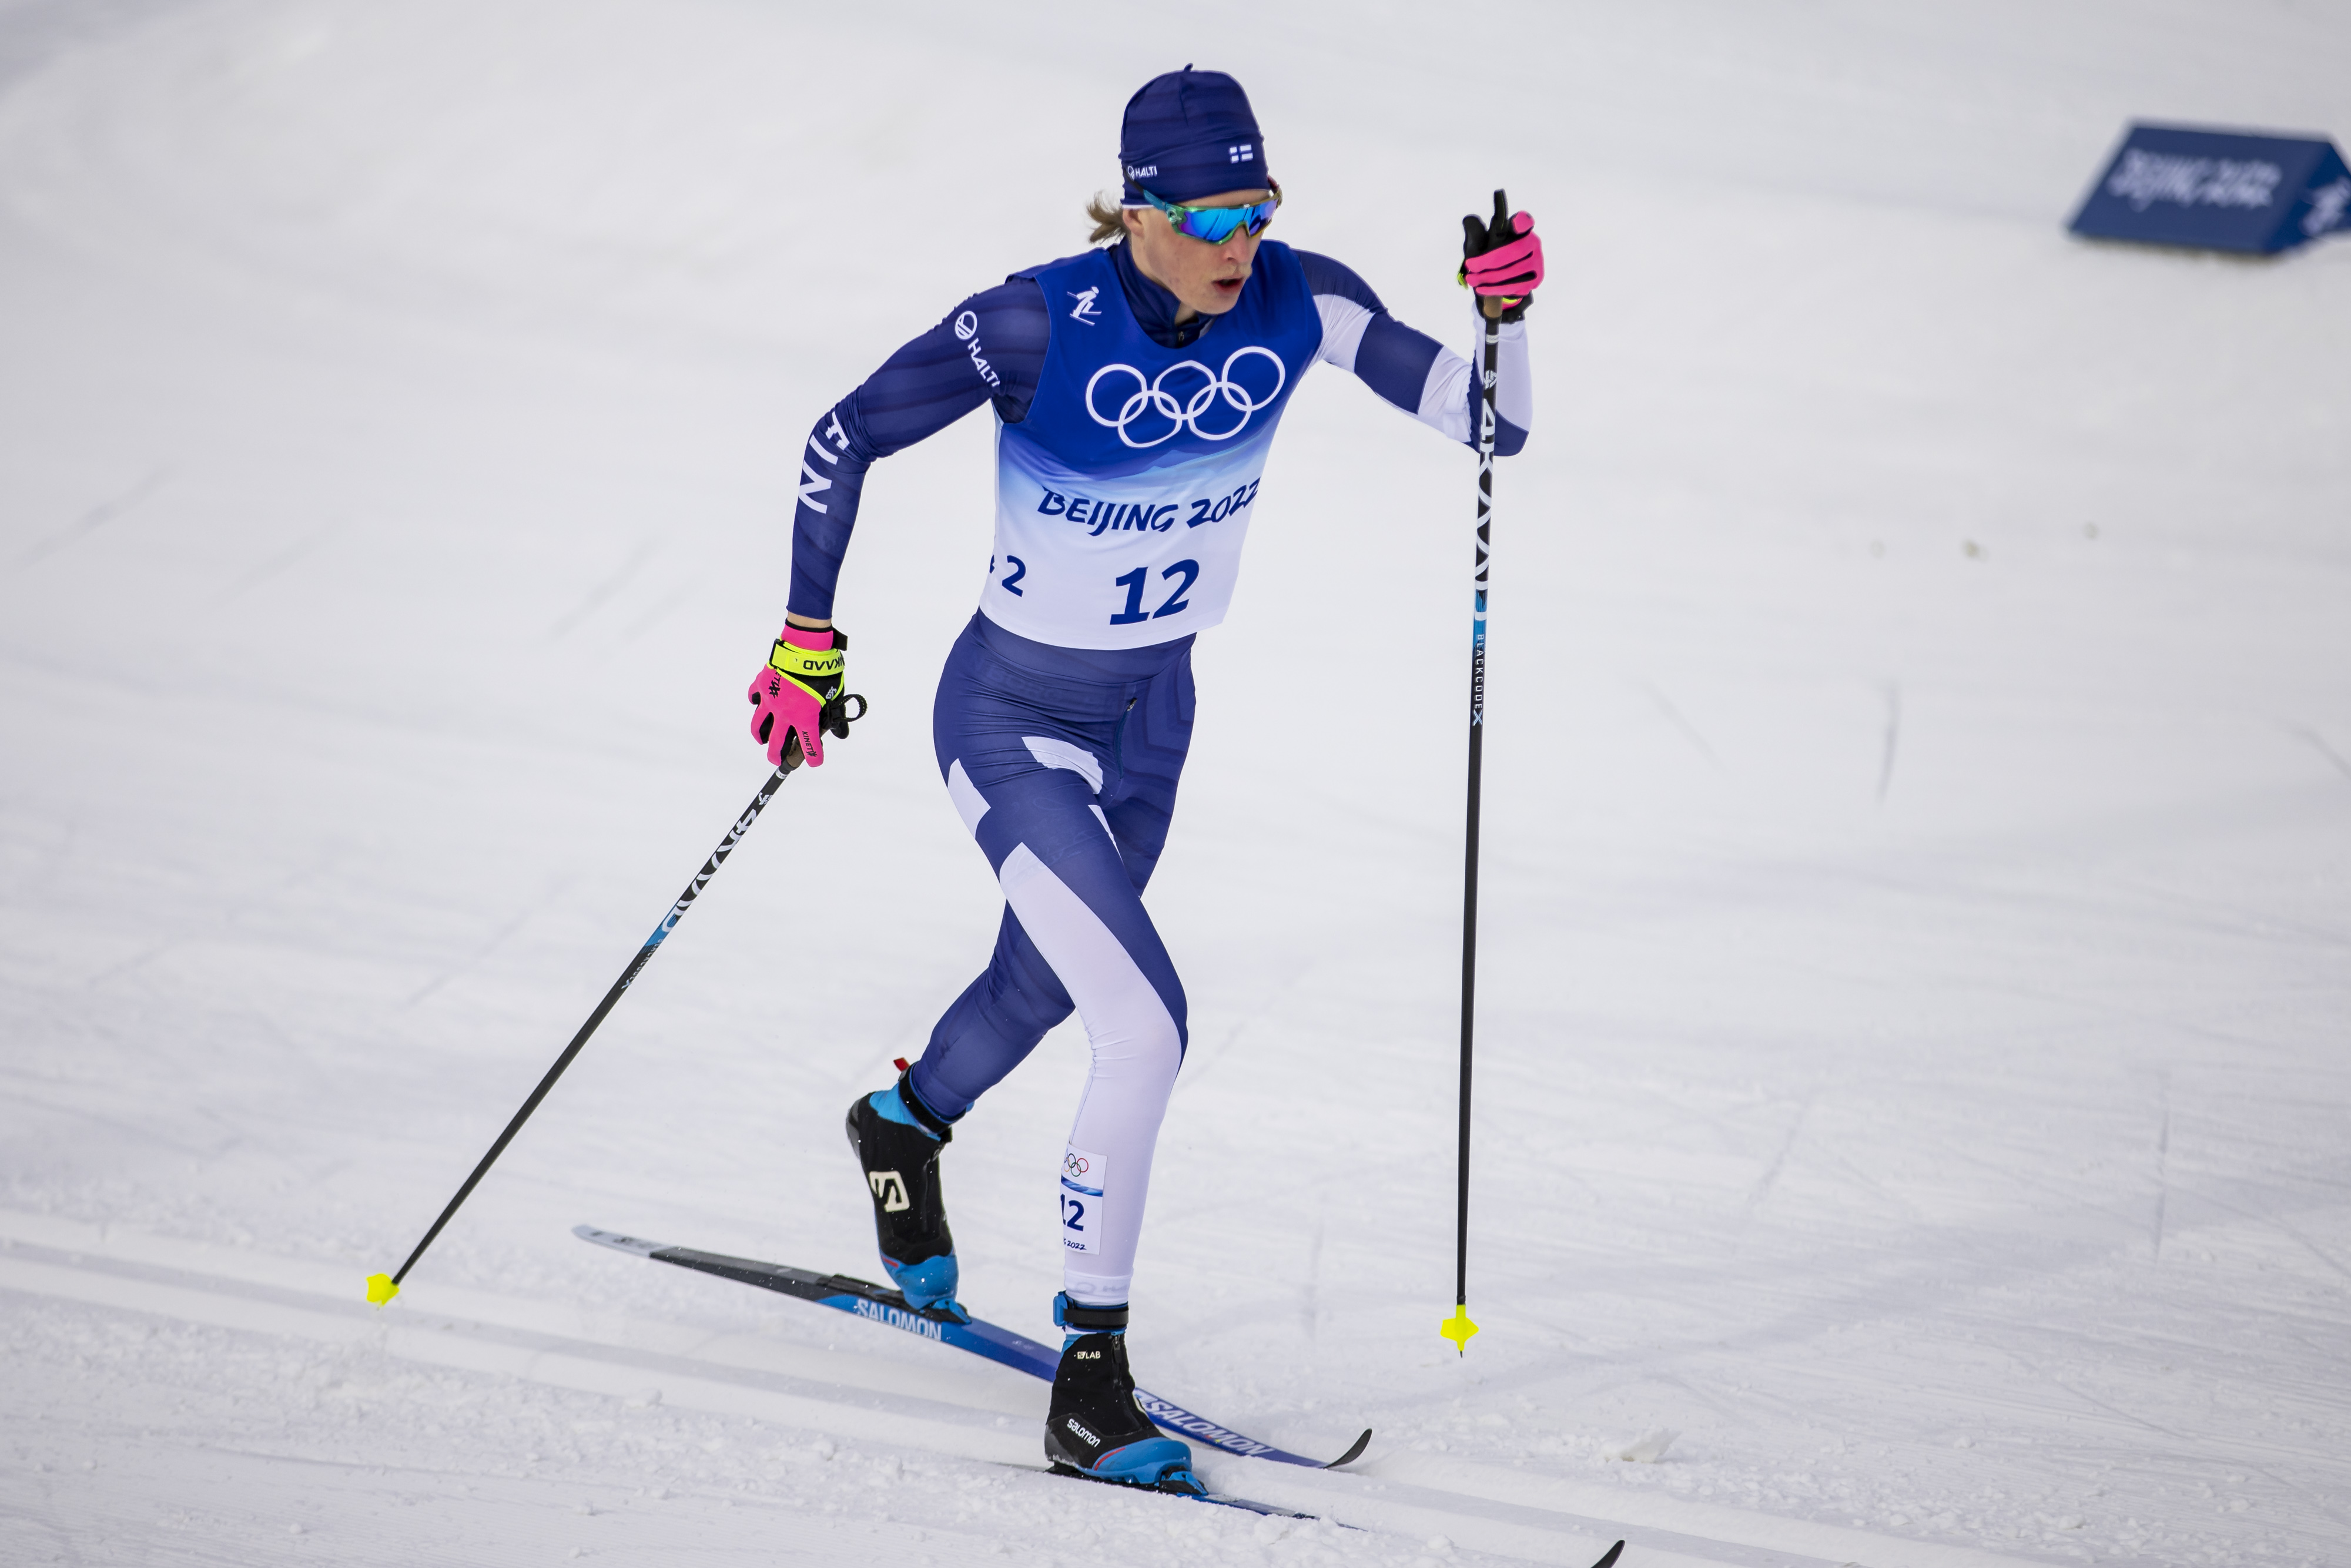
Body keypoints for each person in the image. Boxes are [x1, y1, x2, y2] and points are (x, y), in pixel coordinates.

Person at [745, 67, 1543, 1493]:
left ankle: (900, 1124)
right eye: (1215, 213)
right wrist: (807, 637)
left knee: (1044, 987)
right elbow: (839, 432)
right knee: (1145, 1022)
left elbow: (1490, 424)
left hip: (1153, 720)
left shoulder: (1302, 301)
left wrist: (1505, 322)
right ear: (1140, 210)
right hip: (1010, 719)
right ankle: (1089, 1381)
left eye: (1260, 206)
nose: (1243, 241)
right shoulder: (1031, 322)